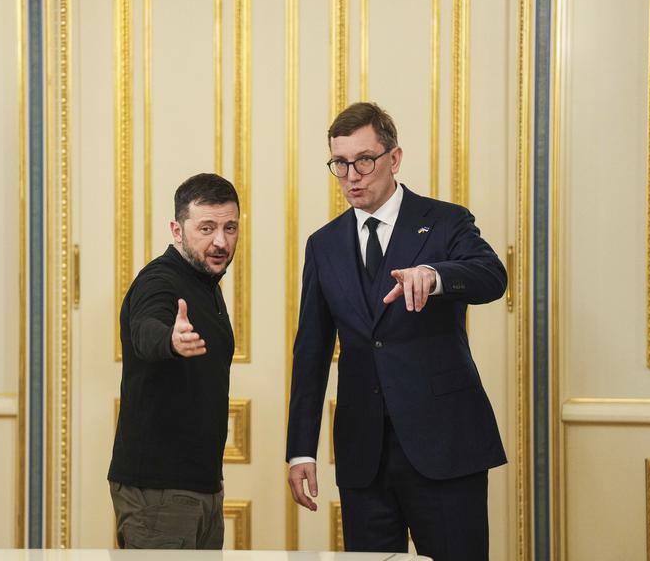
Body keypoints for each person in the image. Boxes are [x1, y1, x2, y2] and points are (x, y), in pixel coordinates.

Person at [286, 102, 507, 561]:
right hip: (363, 456)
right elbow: (311, 352)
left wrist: (435, 274)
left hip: (444, 447)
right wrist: (300, 451)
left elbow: (492, 276)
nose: (352, 175)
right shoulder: (323, 245)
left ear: (395, 158)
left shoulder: (445, 221)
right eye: (340, 164)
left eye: (364, 160)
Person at [108, 173, 240, 549]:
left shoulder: (204, 284)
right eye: (207, 228)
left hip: (200, 487)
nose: (221, 241)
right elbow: (146, 327)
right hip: (159, 493)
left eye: (230, 227)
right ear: (177, 230)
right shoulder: (160, 280)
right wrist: (169, 338)